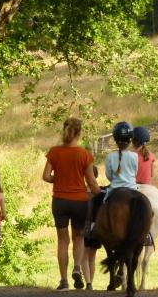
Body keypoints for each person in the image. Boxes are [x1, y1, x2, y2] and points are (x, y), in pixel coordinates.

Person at [43, 117, 101, 291]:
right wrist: (102, 195)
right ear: (79, 133)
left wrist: (59, 179)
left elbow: (46, 176)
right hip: (79, 202)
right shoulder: (85, 154)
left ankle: (63, 281)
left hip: (59, 201)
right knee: (78, 237)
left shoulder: (54, 152)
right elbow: (91, 182)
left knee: (62, 240)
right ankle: (77, 268)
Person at [88, 122, 138, 230]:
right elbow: (135, 173)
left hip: (114, 189)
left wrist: (116, 180)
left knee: (97, 200)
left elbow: (109, 176)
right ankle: (147, 233)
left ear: (115, 140)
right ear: (130, 140)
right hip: (133, 189)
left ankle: (93, 227)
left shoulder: (110, 156)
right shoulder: (134, 156)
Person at [82, 166, 102, 291]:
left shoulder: (81, 192)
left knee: (83, 256)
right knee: (92, 258)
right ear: (97, 176)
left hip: (84, 225)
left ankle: (88, 283)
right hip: (97, 227)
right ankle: (90, 284)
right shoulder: (100, 193)